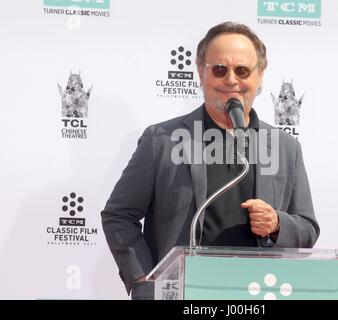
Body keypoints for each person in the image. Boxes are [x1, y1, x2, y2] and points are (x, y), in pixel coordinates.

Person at [101, 21, 320, 300]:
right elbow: (118, 215)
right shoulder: (163, 139)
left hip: (259, 295)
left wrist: (277, 224)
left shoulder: (285, 147)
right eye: (220, 69)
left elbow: (308, 228)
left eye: (242, 70)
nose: (231, 80)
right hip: (184, 295)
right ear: (201, 72)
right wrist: (144, 280)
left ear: (260, 75)